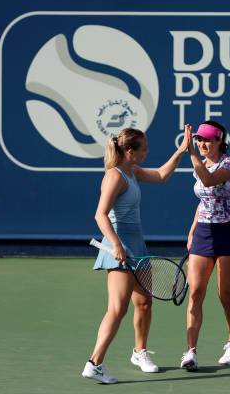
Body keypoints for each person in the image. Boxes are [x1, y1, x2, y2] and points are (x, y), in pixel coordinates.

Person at [82, 126, 191, 384]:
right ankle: (94, 363)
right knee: (117, 309)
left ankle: (140, 352)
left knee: (144, 303)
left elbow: (162, 176)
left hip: (137, 246)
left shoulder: (132, 172)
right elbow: (100, 214)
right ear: (130, 151)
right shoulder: (114, 176)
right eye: (144, 149)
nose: (147, 152)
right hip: (120, 246)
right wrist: (117, 245)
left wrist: (181, 151)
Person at [180, 121, 230, 371]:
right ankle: (190, 351)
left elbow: (209, 182)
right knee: (196, 293)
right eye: (199, 140)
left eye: (208, 140)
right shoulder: (201, 165)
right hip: (203, 232)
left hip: (228, 233)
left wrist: (190, 152)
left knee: (225, 295)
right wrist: (192, 232)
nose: (202, 144)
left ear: (220, 142)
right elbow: (204, 201)